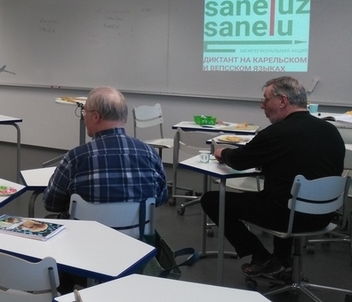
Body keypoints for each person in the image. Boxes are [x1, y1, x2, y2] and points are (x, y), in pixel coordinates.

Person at [201, 76, 345, 277]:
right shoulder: (331, 131)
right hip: (323, 215)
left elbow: (239, 161)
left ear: (282, 101)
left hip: (289, 216)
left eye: (265, 100)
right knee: (284, 193)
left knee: (212, 200)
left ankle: (261, 256)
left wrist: (222, 152)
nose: (262, 106)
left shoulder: (276, 133)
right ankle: (282, 262)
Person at [43, 86, 169, 215]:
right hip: (137, 227)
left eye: (85, 113)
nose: (84, 118)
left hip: (85, 227)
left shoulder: (75, 158)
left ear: (95, 117)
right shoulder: (150, 154)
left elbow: (51, 203)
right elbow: (161, 198)